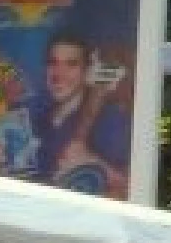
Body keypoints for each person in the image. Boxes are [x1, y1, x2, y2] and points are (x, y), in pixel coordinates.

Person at [30, 30, 130, 200]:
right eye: (53, 63)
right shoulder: (41, 117)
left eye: (71, 64)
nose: (58, 74)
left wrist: (92, 162)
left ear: (87, 71)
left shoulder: (109, 121)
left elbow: (133, 190)